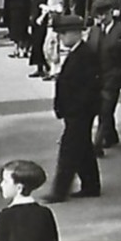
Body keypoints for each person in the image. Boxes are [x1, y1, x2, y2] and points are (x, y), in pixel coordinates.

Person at [43, 16, 101, 202]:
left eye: (63, 34)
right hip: (76, 111)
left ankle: (59, 191)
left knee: (69, 150)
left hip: (79, 112)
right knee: (83, 148)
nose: (61, 38)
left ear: (76, 33)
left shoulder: (85, 55)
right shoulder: (78, 53)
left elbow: (87, 87)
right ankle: (91, 185)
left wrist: (72, 109)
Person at [0, 160, 60, 241]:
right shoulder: (45, 213)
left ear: (19, 188)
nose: (1, 184)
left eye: (5, 181)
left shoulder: (5, 216)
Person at [86, 0, 121, 156]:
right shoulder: (94, 31)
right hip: (95, 78)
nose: (100, 18)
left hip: (113, 77)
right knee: (103, 110)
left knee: (105, 110)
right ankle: (111, 135)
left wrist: (120, 71)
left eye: (103, 14)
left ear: (110, 13)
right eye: (97, 15)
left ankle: (97, 144)